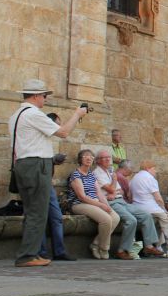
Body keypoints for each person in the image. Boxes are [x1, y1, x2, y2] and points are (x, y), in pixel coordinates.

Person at [9, 79, 87, 267]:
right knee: (38, 212)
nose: (45, 99)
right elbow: (63, 132)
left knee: (32, 211)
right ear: (36, 96)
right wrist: (77, 114)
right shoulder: (33, 114)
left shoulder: (16, 115)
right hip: (36, 165)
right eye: (44, 96)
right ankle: (27, 255)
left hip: (24, 164)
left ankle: (32, 253)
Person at [94, 150, 164, 258]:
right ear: (98, 161)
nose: (108, 159)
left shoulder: (110, 172)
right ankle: (122, 250)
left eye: (109, 157)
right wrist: (113, 184)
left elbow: (120, 191)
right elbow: (112, 189)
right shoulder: (97, 173)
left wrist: (114, 189)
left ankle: (149, 246)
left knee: (145, 215)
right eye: (104, 158)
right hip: (111, 202)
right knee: (131, 220)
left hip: (120, 200)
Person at [67, 149, 121, 260]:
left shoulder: (91, 175)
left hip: (94, 202)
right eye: (85, 156)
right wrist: (100, 205)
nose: (88, 158)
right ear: (80, 159)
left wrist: (107, 206)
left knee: (115, 217)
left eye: (91, 157)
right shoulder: (76, 174)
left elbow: (99, 193)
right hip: (79, 204)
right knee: (106, 219)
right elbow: (82, 196)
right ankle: (104, 248)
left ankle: (95, 244)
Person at [37, 112, 75, 261]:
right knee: (39, 218)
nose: (59, 127)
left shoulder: (47, 139)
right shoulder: (39, 137)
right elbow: (36, 159)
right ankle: (41, 252)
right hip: (38, 182)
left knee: (56, 217)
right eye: (58, 123)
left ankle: (59, 251)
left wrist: (53, 161)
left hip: (48, 183)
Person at [129, 160, 168, 257]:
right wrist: (164, 210)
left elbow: (130, 196)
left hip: (137, 208)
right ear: (148, 168)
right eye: (154, 168)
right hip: (151, 207)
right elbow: (158, 198)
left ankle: (155, 247)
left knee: (155, 223)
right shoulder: (150, 178)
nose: (155, 171)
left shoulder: (133, 178)